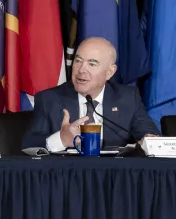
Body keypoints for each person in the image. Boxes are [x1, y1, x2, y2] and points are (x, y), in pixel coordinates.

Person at [21, 37, 160, 152]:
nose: (81, 70)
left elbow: (150, 134)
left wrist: (150, 140)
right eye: (78, 61)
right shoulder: (49, 99)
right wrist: (61, 139)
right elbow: (28, 145)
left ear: (110, 72)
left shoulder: (128, 98)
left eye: (92, 64)